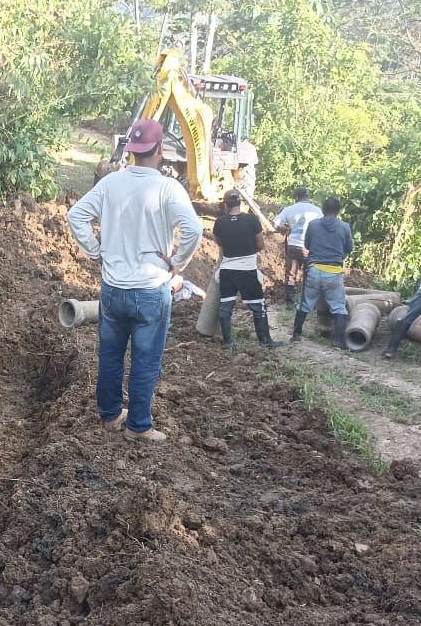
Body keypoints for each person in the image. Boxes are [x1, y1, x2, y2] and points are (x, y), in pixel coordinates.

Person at [67, 118, 203, 442]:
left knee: (110, 356)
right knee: (145, 361)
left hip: (113, 289)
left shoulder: (111, 183)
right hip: (151, 291)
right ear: (159, 150)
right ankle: (138, 427)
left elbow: (76, 215)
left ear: (130, 150)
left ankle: (110, 415)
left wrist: (96, 252)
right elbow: (194, 229)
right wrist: (178, 263)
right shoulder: (168, 188)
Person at [213, 190, 282, 349]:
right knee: (258, 306)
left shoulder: (220, 222)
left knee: (226, 306)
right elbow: (260, 245)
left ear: (225, 205)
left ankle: (227, 343)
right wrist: (246, 249)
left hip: (227, 270)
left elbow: (219, 242)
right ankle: (265, 341)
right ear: (240, 203)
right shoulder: (252, 219)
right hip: (247, 269)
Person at [290, 197, 354, 348]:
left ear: (323, 210)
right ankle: (338, 341)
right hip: (333, 274)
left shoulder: (313, 224)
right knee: (338, 307)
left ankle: (296, 335)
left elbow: (307, 244)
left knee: (305, 304)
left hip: (314, 270)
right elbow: (349, 248)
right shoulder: (344, 227)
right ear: (338, 211)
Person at [274, 186, 322, 307]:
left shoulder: (289, 209)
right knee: (309, 275)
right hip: (309, 248)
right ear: (307, 197)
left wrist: (284, 230)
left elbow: (275, 223)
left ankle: (290, 303)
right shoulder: (316, 211)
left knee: (291, 274)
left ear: (296, 197)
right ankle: (306, 302)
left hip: (293, 246)